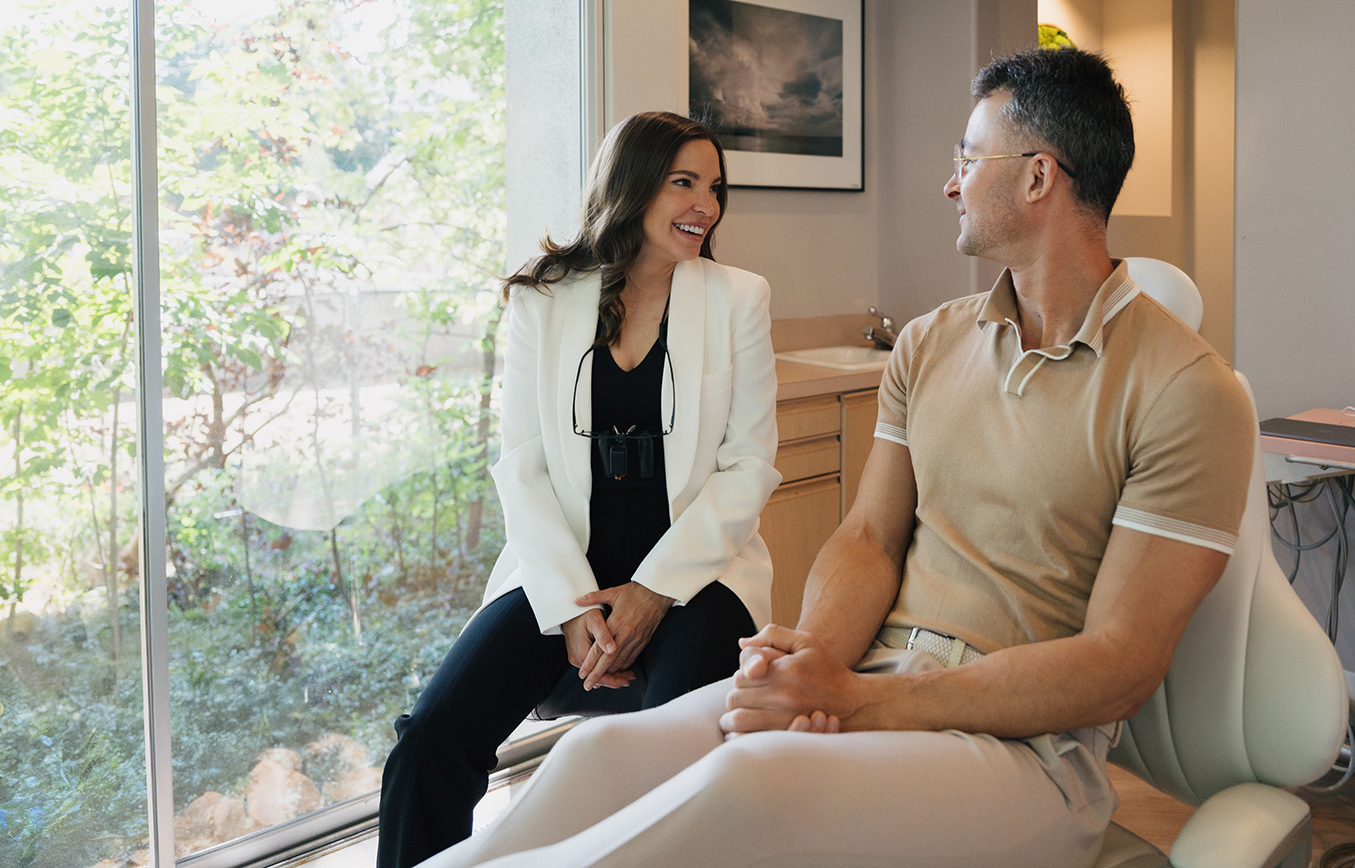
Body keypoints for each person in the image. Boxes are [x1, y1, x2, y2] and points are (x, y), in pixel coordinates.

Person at [413, 49, 1257, 868]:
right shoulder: (930, 343)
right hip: (874, 679)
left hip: (1022, 752)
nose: (950, 181)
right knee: (597, 758)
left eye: (968, 156)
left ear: (1038, 177)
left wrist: (862, 699)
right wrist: (812, 660)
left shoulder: (1189, 390)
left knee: (746, 782)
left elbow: (1120, 665)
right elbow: (868, 541)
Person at [376, 111, 782, 868]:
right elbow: (522, 465)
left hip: (696, 569)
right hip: (562, 565)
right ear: (630, 187)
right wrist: (567, 604)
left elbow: (749, 465)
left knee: (670, 749)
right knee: (430, 740)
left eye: (715, 188)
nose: (706, 205)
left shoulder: (739, 298)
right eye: (683, 183)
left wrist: (653, 590)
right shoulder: (544, 298)